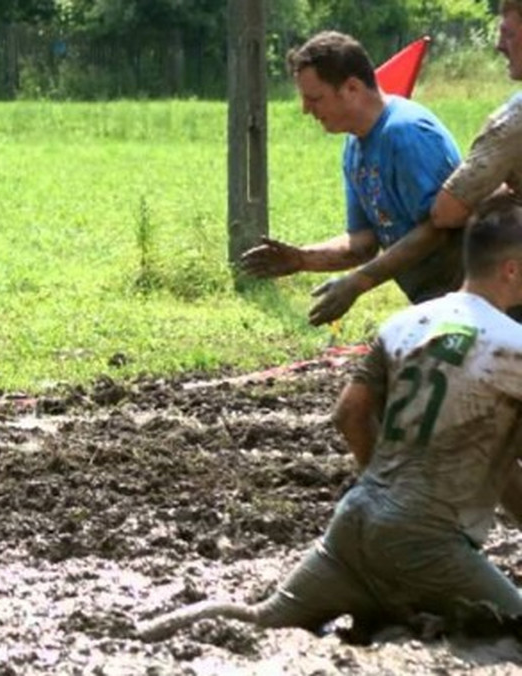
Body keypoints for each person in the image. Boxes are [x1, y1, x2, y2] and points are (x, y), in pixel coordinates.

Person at [139, 201, 522, 642]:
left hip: (354, 526)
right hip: (429, 544)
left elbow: (348, 413)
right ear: (511, 270)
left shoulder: (401, 325)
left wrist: (381, 483)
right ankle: (405, 600)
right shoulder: (512, 348)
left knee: (263, 618)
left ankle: (138, 636)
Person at [239, 31, 464, 326]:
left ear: (352, 88)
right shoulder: (355, 146)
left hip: (484, 300)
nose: (306, 110)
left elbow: (440, 228)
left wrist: (359, 282)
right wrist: (301, 259)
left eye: (314, 98)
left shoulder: (407, 133)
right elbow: (363, 242)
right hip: (438, 304)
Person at [431, 1, 522, 230]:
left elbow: (446, 213)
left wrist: (501, 197)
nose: (499, 45)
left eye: (508, 34)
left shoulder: (512, 123)